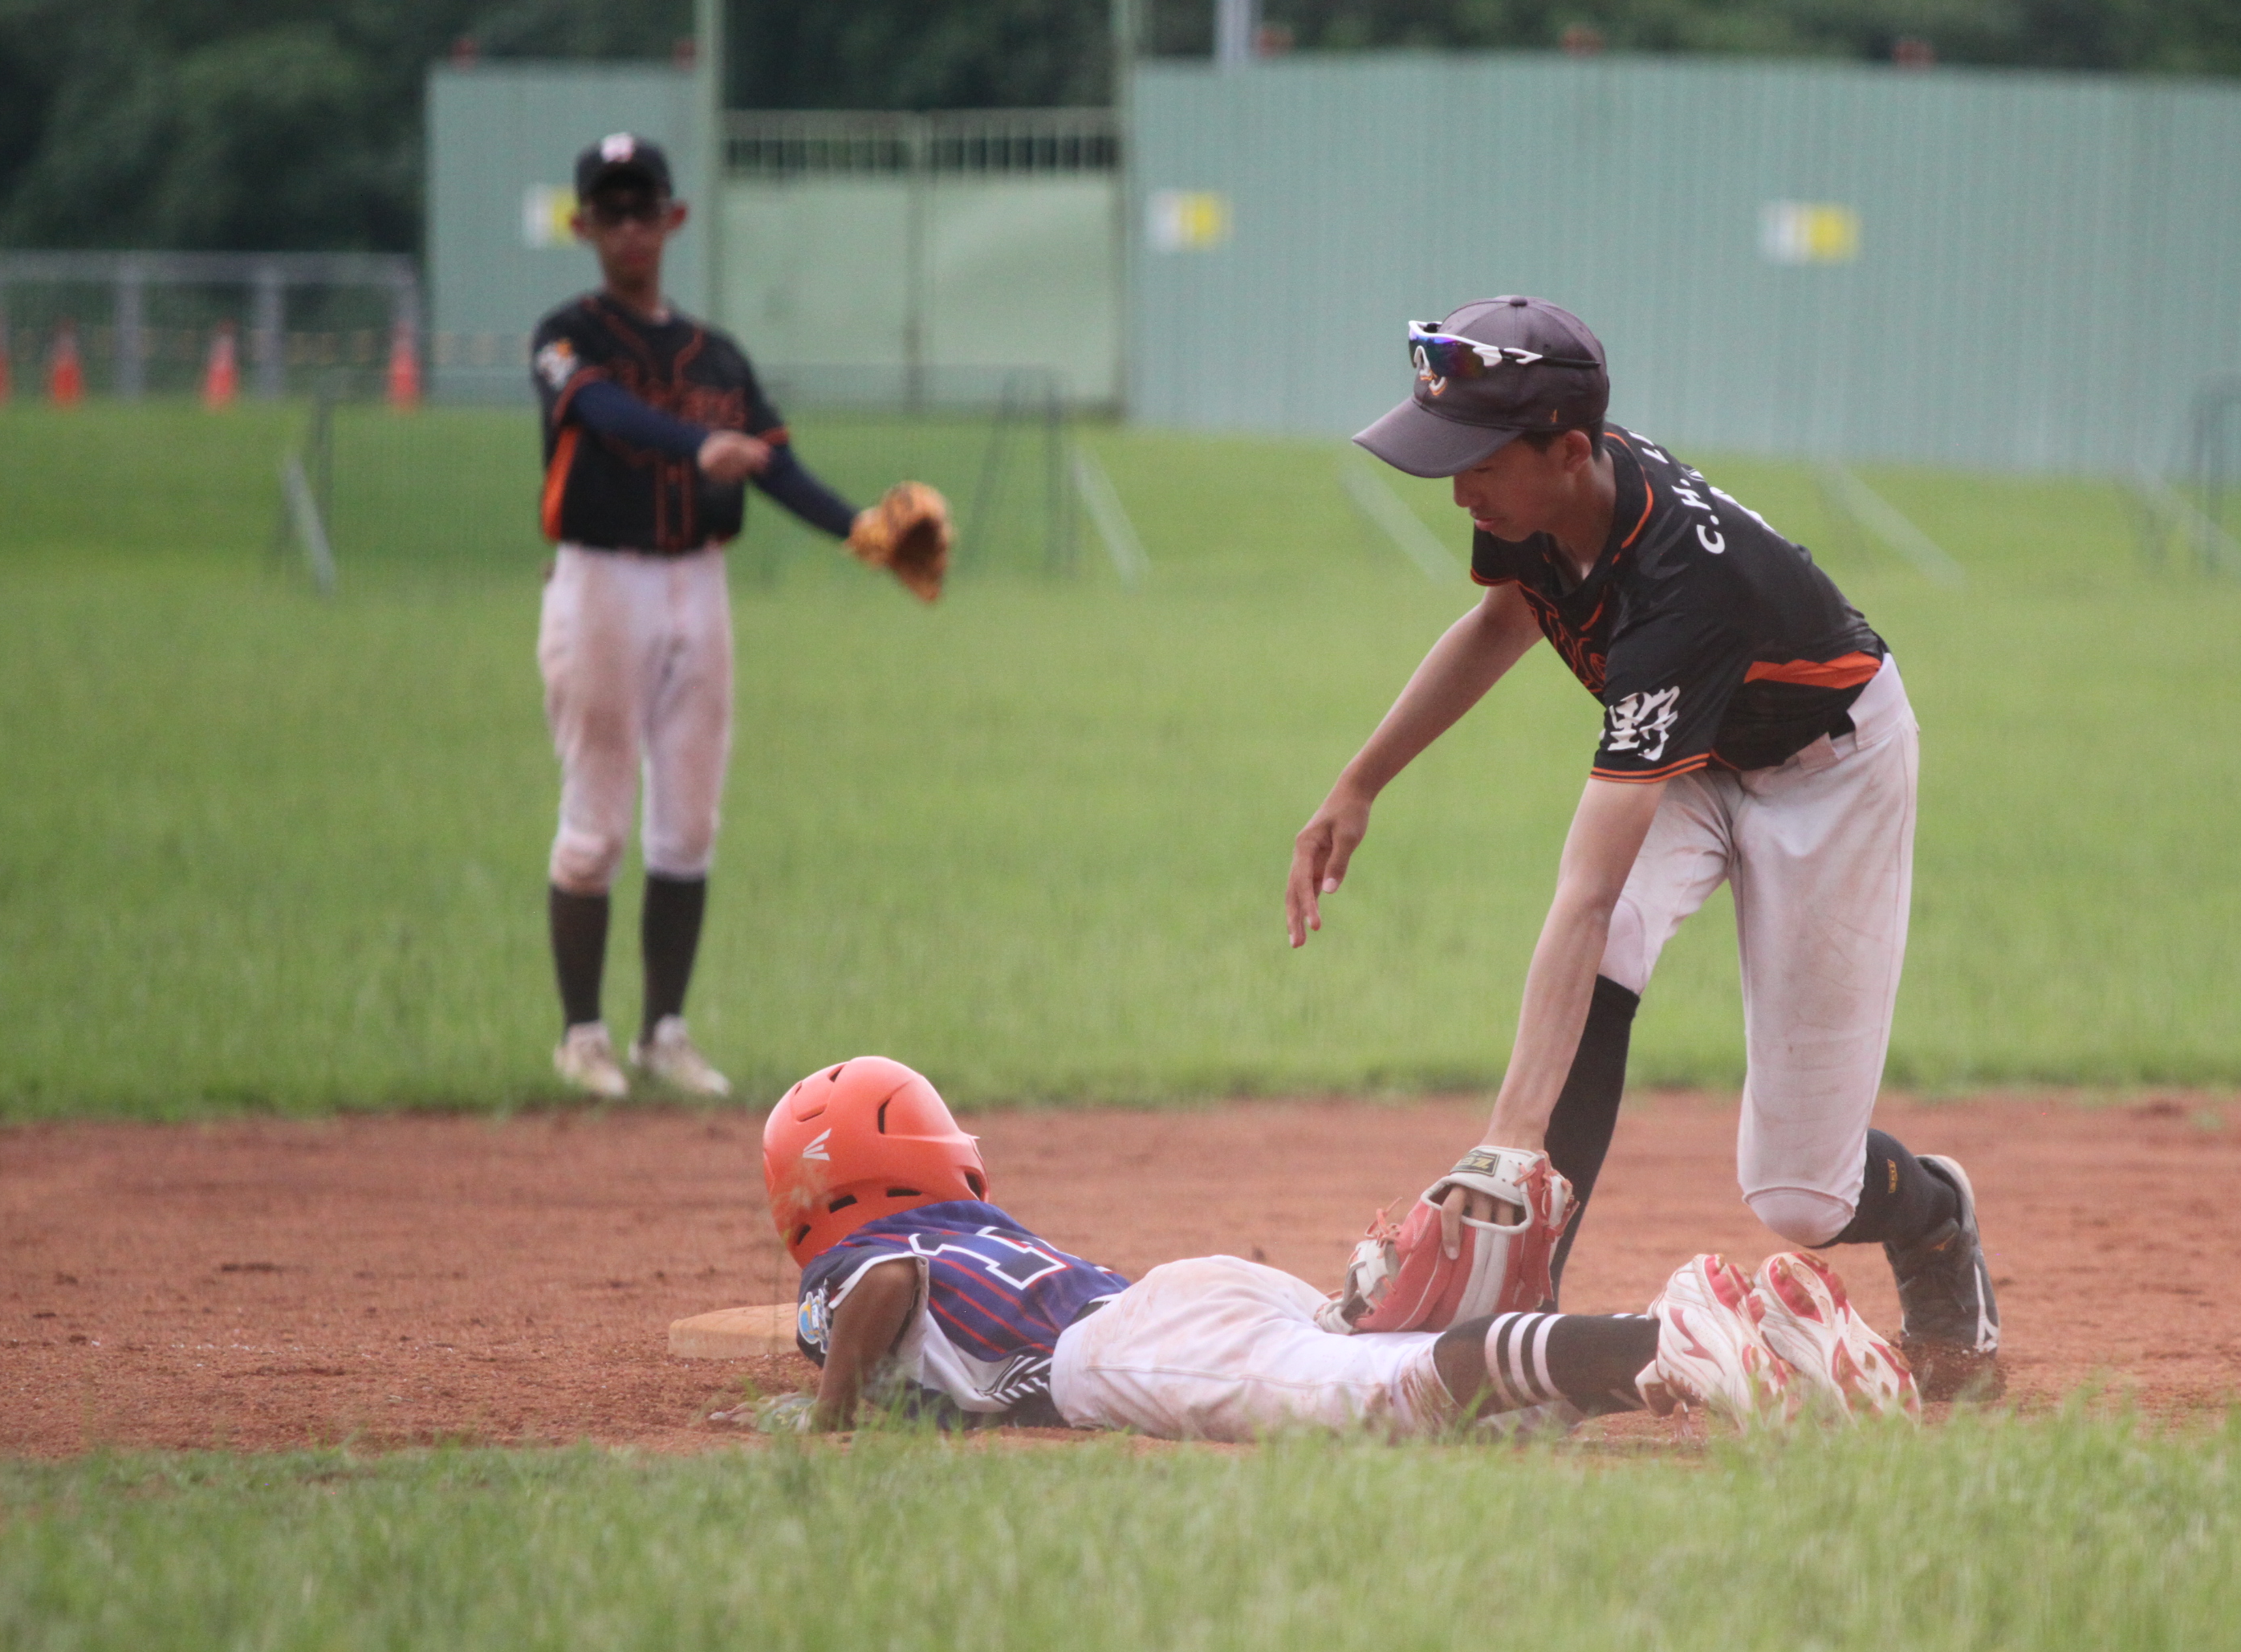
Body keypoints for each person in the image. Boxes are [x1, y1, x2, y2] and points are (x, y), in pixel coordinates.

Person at [1284, 296, 2001, 1398]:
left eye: (1478, 462)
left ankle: (1935, 1215)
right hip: (1704, 752)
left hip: (1832, 775)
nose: (1460, 490)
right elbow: (1505, 619)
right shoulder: (1538, 495)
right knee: (1609, 952)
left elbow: (1584, 886)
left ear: (1570, 451)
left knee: (1800, 1197)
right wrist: (1360, 781)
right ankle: (1527, 1325)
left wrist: (1508, 1139)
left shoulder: (1682, 588)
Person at [762, 1057, 1917, 1438]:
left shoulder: (851, 1263)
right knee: (1485, 1426)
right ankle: (1766, 1344)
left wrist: (829, 1419)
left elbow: (885, 1285)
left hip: (1115, 1350)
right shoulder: (976, 1224)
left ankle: (1668, 1339)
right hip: (1194, 1295)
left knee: (1393, 1400)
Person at [531, 133, 885, 1100]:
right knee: (596, 823)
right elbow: (602, 414)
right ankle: (583, 1037)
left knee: (689, 822)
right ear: (583, 226)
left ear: (674, 218)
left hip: (700, 580)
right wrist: (696, 444)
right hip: (601, 584)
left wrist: (866, 533)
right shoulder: (565, 336)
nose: (630, 226)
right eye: (611, 211)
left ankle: (664, 1034)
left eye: (644, 208)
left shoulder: (716, 356)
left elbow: (774, 463)